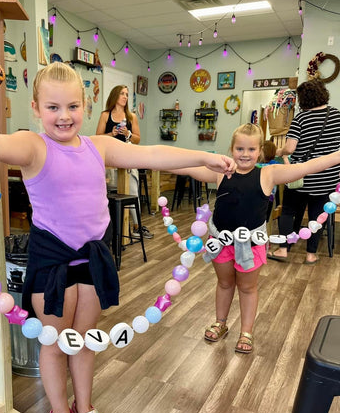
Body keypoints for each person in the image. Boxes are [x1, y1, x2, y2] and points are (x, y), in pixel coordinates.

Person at [0, 62, 237, 413]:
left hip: (92, 259)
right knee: (55, 343)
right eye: (53, 107)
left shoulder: (98, 146)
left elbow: (150, 154)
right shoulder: (32, 146)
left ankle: (84, 406)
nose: (64, 116)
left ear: (86, 106)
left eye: (72, 106)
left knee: (85, 340)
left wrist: (201, 157)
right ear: (37, 108)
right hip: (52, 261)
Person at [169, 123, 340, 354]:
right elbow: (188, 168)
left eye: (251, 149)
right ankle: (220, 322)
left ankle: (246, 331)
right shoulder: (221, 173)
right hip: (221, 242)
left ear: (259, 151)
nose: (245, 154)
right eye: (240, 149)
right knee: (224, 283)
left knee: (248, 288)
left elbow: (308, 167)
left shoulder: (269, 173)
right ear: (231, 149)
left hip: (252, 244)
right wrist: (151, 159)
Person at [269, 78, 340, 264]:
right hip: (327, 177)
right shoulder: (337, 116)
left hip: (301, 175)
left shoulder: (301, 118)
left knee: (289, 211)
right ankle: (311, 254)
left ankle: (283, 249)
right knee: (318, 215)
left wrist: (278, 151)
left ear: (303, 99)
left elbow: (290, 148)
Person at [96, 85, 153, 239]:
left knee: (132, 190)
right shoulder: (105, 115)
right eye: (122, 94)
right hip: (109, 160)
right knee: (108, 192)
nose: (125, 97)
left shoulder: (131, 116)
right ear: (115, 95)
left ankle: (137, 226)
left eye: (127, 94)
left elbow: (137, 139)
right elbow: (98, 137)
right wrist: (111, 133)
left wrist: (128, 134)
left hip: (127, 157)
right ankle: (110, 227)